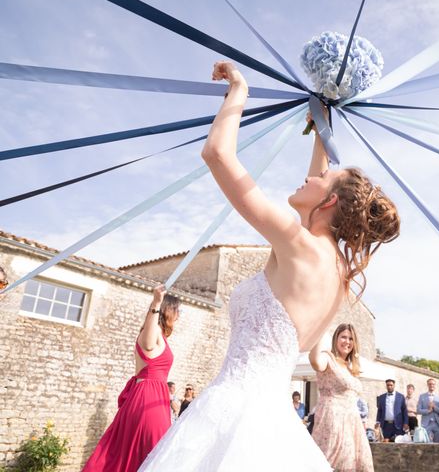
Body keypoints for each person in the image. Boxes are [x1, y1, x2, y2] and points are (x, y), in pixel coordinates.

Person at [139, 61, 400, 471]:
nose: (312, 177)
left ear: (330, 201)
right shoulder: (335, 272)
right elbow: (316, 185)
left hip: (234, 412)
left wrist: (239, 90)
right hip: (273, 425)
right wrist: (322, 119)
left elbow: (217, 153)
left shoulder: (297, 244)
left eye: (325, 176)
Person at [83, 285, 180, 472]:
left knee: (148, 453)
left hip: (155, 397)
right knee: (154, 451)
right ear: (167, 311)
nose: (178, 316)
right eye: (177, 311)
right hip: (148, 397)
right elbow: (148, 344)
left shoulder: (160, 335)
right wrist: (156, 302)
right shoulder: (152, 334)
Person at [309, 324, 374, 471]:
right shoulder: (328, 357)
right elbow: (315, 361)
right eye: (343, 337)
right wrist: (319, 330)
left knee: (355, 464)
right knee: (330, 463)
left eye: (351, 338)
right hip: (332, 419)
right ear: (336, 339)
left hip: (353, 422)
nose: (347, 341)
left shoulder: (351, 367)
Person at [417, 378, 439, 442]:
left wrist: (434, 407)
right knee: (427, 442)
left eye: (433, 384)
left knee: (437, 443)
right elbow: (418, 410)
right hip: (426, 423)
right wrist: (428, 411)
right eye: (430, 384)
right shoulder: (422, 396)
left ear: (435, 385)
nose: (432, 385)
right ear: (427, 385)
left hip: (437, 423)